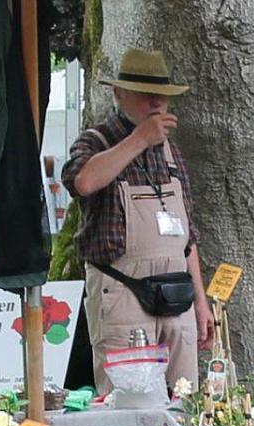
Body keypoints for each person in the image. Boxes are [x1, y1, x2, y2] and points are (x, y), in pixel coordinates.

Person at [63, 47, 213, 396]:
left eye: (162, 96)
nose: (157, 104)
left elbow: (187, 235)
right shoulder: (96, 140)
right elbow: (83, 182)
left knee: (185, 398)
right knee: (128, 401)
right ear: (119, 94)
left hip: (177, 293)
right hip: (123, 291)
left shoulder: (170, 150)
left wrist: (201, 302)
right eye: (147, 95)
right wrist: (139, 139)